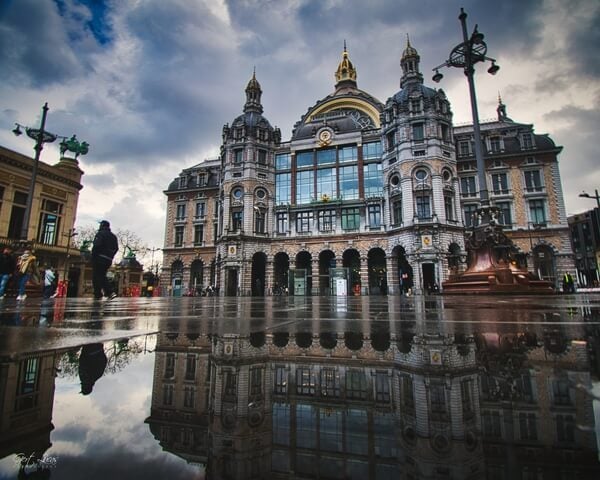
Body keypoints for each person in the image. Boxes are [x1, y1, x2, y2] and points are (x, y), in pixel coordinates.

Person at [91, 220, 119, 300]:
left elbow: (97, 245)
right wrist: (111, 256)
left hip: (99, 257)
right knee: (98, 275)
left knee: (99, 275)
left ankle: (109, 292)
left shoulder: (100, 234)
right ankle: (97, 293)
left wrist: (93, 256)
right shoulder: (113, 236)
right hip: (108, 259)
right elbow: (116, 248)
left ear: (102, 225)